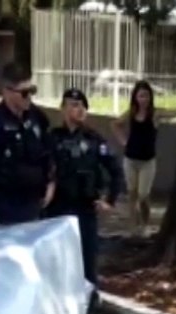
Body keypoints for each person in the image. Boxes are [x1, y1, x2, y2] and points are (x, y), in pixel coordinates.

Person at [46, 88, 123, 285]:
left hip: (85, 209)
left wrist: (110, 201)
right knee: (58, 262)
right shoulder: (52, 138)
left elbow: (116, 170)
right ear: (63, 109)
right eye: (73, 105)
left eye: (82, 106)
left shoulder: (94, 139)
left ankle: (89, 306)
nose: (79, 110)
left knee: (87, 264)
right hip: (58, 209)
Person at [0, 63, 54, 225]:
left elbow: (48, 153)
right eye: (24, 93)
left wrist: (51, 182)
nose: (29, 97)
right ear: (7, 92)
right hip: (5, 209)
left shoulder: (37, 117)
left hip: (34, 206)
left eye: (32, 91)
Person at [111, 80, 176, 235]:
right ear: (135, 97)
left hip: (147, 162)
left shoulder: (155, 113)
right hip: (130, 159)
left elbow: (174, 113)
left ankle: (145, 224)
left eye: (146, 95)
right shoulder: (131, 112)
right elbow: (115, 124)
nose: (144, 99)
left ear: (150, 97)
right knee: (131, 194)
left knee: (143, 195)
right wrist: (123, 141)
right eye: (141, 95)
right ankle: (132, 227)